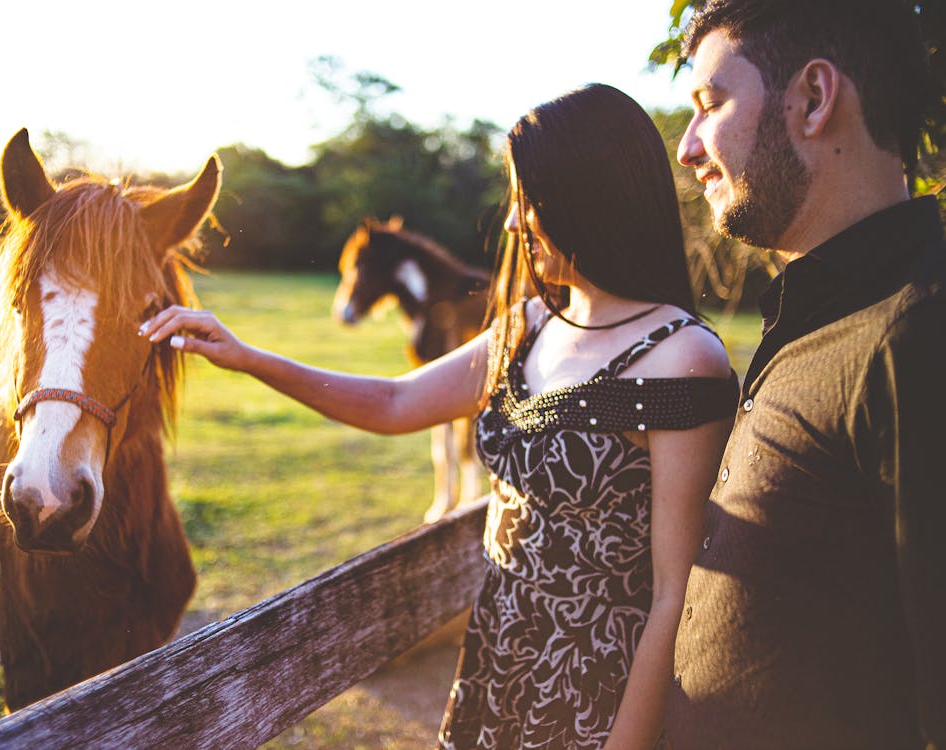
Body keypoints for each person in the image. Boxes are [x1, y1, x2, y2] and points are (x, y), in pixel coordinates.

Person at [141, 84, 738, 749]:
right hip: (496, 663)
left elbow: (672, 593)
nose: (512, 223)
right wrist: (248, 357)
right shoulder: (529, 325)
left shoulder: (680, 358)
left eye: (526, 201)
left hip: (600, 691)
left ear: (586, 197)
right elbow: (395, 403)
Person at [665, 1, 946, 748]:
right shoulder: (813, 317)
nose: (688, 148)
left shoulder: (916, 336)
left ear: (813, 99)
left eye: (709, 104)